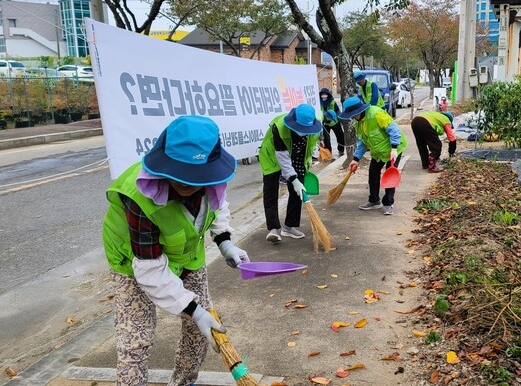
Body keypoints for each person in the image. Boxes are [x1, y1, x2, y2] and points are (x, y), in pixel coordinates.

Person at [102, 115, 250, 386]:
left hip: (186, 255)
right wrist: (193, 308)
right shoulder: (138, 197)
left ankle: (184, 382)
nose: (187, 182)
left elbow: (218, 206)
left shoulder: (212, 180)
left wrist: (225, 241)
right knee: (136, 339)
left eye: (196, 175)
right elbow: (149, 268)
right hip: (133, 260)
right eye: (179, 173)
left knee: (202, 331)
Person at [258, 103, 322, 242]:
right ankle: (274, 228)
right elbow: (283, 158)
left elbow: (310, 148)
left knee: (297, 191)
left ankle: (289, 226)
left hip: (298, 155)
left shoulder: (315, 127)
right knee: (270, 191)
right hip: (272, 157)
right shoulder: (279, 127)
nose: (303, 131)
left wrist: (300, 176)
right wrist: (293, 179)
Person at [338, 96, 407, 216]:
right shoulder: (358, 123)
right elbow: (362, 143)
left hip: (393, 149)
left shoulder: (377, 114)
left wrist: (394, 148)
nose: (352, 117)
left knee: (390, 174)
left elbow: (394, 130)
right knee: (373, 173)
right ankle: (374, 200)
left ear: (359, 111)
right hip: (378, 152)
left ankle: (388, 203)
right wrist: (355, 159)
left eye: (353, 114)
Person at [319, 87, 345, 157]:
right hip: (325, 123)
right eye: (323, 94)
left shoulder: (333, 102)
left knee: (340, 136)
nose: (324, 96)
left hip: (334, 122)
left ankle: (341, 150)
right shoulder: (319, 103)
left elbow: (338, 112)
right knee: (326, 138)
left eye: (325, 94)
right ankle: (328, 152)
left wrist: (340, 120)